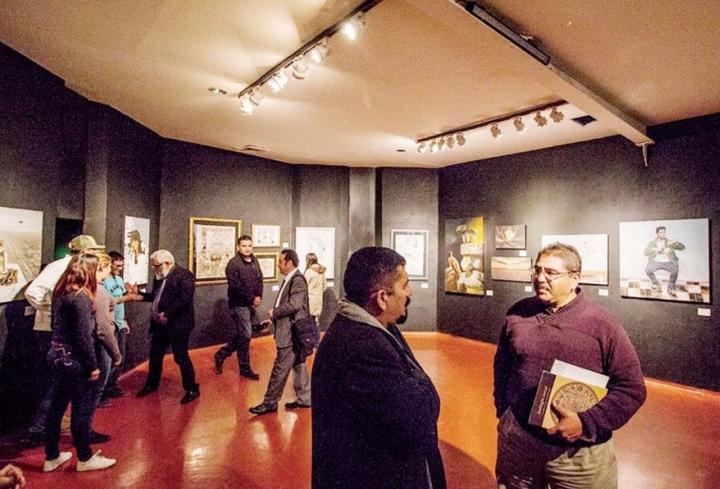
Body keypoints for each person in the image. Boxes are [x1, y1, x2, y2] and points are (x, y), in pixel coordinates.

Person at [494, 243, 647, 489]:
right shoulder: (518, 313)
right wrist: (504, 410)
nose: (540, 278)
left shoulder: (603, 326)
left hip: (578, 457)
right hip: (519, 442)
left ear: (575, 278)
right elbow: (502, 365)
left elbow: (632, 389)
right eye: (537, 270)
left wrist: (585, 423)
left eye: (551, 273)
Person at [311, 247, 446, 489]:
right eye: (405, 285)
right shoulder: (363, 349)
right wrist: (427, 389)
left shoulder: (374, 327)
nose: (410, 292)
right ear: (382, 298)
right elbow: (419, 416)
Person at [22, 234, 105, 446]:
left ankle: (47, 432)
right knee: (56, 386)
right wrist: (56, 311)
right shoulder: (60, 267)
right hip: (53, 333)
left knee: (60, 387)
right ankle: (39, 430)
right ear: (84, 251)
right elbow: (33, 292)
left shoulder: (71, 269)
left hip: (60, 332)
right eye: (92, 251)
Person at [43, 253, 117, 472]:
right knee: (81, 409)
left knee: (56, 407)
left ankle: (51, 456)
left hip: (56, 355)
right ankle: (85, 457)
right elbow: (83, 336)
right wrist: (93, 366)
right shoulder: (81, 297)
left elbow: (55, 326)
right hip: (74, 361)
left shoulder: (61, 292)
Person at [249, 249, 311, 415]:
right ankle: (305, 397)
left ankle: (270, 402)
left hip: (290, 333)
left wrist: (274, 313)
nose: (278, 265)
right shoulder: (290, 279)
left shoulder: (297, 280)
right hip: (291, 330)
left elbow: (295, 305)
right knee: (299, 363)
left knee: (280, 367)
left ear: (289, 263)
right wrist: (273, 321)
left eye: (280, 262)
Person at [135, 250, 200, 404]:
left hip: (178, 324)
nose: (154, 269)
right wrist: (138, 295)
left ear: (167, 263)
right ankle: (152, 384)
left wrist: (167, 313)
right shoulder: (160, 275)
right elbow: (156, 297)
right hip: (160, 324)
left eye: (156, 265)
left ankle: (191, 388)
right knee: (155, 355)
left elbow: (184, 300)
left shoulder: (185, 275)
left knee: (180, 356)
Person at [213, 235, 263, 379]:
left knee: (243, 335)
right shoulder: (233, 264)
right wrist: (252, 298)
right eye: (244, 246)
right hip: (238, 305)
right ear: (238, 247)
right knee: (246, 336)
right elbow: (236, 287)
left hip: (250, 305)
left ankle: (221, 354)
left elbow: (259, 279)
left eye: (250, 246)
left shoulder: (254, 260)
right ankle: (245, 369)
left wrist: (259, 295)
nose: (247, 249)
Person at [102, 251, 134, 399]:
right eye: (117, 266)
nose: (119, 269)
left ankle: (112, 386)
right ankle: (102, 392)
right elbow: (109, 302)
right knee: (108, 360)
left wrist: (124, 320)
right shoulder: (104, 282)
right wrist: (128, 297)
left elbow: (120, 301)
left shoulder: (119, 280)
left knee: (120, 357)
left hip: (119, 323)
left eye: (121, 266)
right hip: (110, 323)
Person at [644, 225, 685, 297]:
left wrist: (676, 243)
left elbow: (682, 248)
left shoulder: (669, 242)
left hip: (668, 262)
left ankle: (671, 288)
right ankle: (655, 283)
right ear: (657, 233)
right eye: (661, 232)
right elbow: (645, 253)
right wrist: (655, 250)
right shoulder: (652, 243)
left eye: (664, 232)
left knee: (675, 270)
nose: (663, 234)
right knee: (648, 270)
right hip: (656, 262)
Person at [304, 252, 326, 344]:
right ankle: (316, 340)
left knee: (311, 320)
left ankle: (313, 341)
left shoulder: (309, 272)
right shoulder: (321, 272)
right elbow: (325, 286)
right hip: (318, 299)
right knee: (315, 320)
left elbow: (304, 286)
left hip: (310, 299)